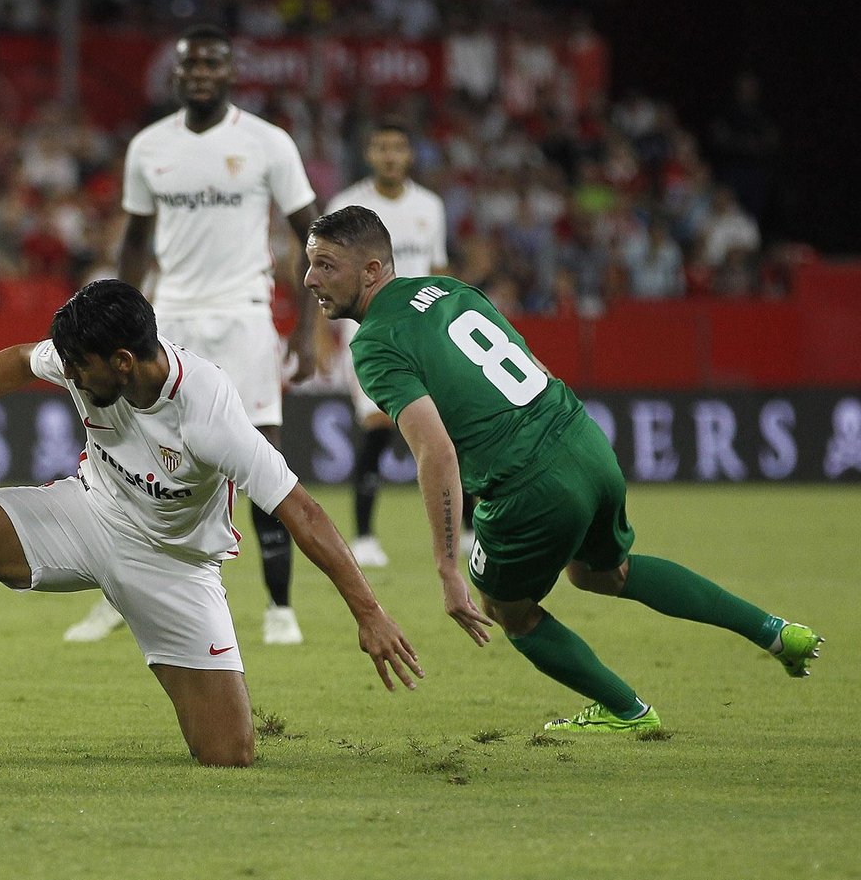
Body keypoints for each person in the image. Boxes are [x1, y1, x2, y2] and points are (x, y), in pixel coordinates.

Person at [0, 280, 421, 765]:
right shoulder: (89, 357)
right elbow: (22, 358)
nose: (69, 374)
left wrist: (367, 611)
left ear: (126, 363)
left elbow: (300, 508)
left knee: (230, 756)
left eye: (80, 369)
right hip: (89, 514)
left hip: (175, 565)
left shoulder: (208, 409)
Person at [303, 205, 823, 731]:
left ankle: (629, 711)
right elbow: (535, 365)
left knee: (509, 607)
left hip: (529, 484)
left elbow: (435, 452)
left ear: (371, 271)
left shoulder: (373, 344)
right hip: (584, 440)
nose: (310, 279)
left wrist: (445, 568)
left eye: (326, 265)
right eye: (310, 264)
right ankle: (775, 631)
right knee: (604, 571)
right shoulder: (449, 290)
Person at [65, 24, 322, 646]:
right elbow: (133, 242)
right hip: (168, 319)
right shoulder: (150, 146)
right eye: (190, 65)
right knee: (127, 457)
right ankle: (114, 598)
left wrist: (310, 327)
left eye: (211, 63)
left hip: (244, 315)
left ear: (230, 72)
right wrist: (113, 320)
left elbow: (312, 235)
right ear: (176, 74)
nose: (200, 73)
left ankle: (279, 607)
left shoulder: (268, 143)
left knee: (262, 457)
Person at [324, 117, 462, 568]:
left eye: (398, 148)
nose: (389, 156)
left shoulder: (430, 206)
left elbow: (439, 270)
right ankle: (364, 535)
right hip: (369, 331)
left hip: (425, 330)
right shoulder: (347, 206)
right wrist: (318, 333)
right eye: (381, 147)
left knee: (455, 425)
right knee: (378, 427)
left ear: (410, 155)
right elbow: (325, 270)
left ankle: (472, 526)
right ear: (369, 154)